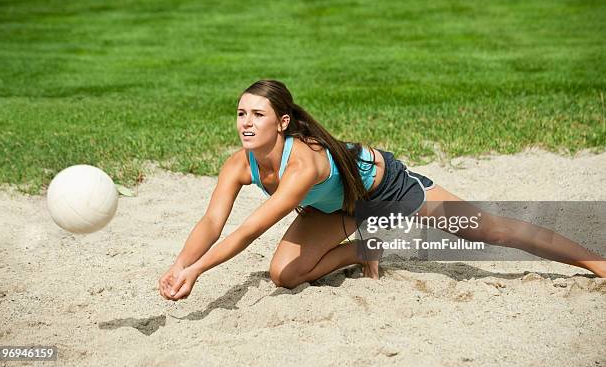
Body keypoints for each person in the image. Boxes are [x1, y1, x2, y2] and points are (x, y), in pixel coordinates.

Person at [159, 80, 606, 301]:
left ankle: (596, 261)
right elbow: (213, 222)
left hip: (385, 188)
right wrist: (181, 264)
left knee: (488, 231)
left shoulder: (303, 163)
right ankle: (366, 247)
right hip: (334, 208)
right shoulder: (239, 164)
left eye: (257, 114)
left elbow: (248, 231)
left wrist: (198, 271)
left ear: (282, 122)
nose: (245, 123)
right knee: (285, 276)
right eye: (241, 113)